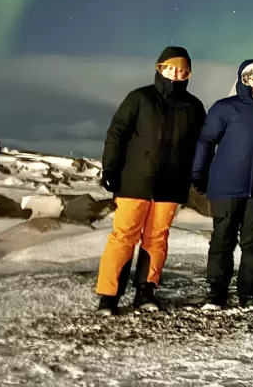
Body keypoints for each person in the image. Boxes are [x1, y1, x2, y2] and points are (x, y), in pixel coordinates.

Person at [95, 46, 207, 315]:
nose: (175, 74)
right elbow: (117, 134)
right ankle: (109, 296)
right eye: (171, 69)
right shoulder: (140, 98)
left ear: (187, 75)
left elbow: (201, 145)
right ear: (160, 68)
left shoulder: (194, 107)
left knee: (157, 238)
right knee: (123, 236)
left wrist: (199, 174)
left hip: (171, 185)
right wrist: (110, 169)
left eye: (182, 71)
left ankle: (146, 291)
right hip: (135, 182)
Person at [191, 60, 253, 311]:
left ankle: (249, 295)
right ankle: (216, 294)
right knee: (222, 241)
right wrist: (198, 172)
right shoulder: (224, 108)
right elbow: (207, 140)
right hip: (226, 186)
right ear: (243, 80)